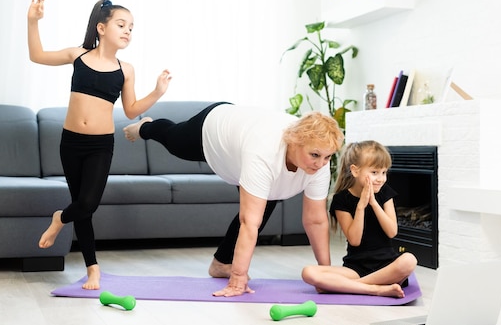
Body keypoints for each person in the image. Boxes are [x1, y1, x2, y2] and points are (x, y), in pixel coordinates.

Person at [123, 103, 344, 297]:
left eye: (328, 156)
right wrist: (238, 279)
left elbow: (315, 220)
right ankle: (146, 127)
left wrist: (325, 275)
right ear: (294, 142)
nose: (321, 163)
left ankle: (221, 264)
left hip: (244, 140)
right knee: (174, 140)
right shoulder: (264, 151)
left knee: (265, 200)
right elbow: (249, 222)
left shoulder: (320, 163)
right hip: (214, 127)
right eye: (315, 155)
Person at [27, 0, 172, 290]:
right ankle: (93, 268)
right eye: (122, 24)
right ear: (102, 28)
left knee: (87, 203)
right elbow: (37, 55)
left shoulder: (125, 70)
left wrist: (157, 91)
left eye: (132, 27)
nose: (128, 31)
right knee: (83, 205)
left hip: (100, 146)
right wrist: (33, 21)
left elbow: (131, 109)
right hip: (71, 143)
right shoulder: (77, 56)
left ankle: (59, 218)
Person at [301, 140, 417, 298]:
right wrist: (361, 206)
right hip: (355, 269)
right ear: (355, 171)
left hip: (387, 266)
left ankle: (349, 287)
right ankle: (376, 289)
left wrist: (374, 204)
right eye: (374, 172)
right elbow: (355, 240)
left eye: (384, 172)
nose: (381, 179)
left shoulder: (385, 193)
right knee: (308, 272)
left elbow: (392, 232)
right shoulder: (341, 200)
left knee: (409, 260)